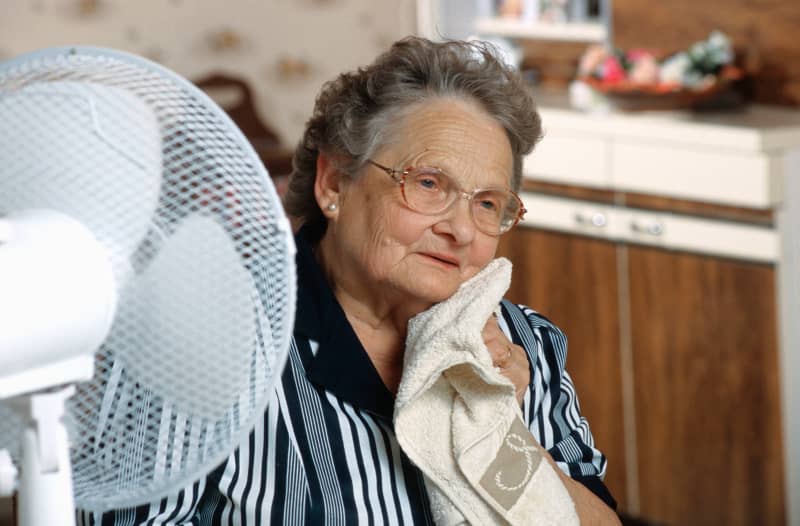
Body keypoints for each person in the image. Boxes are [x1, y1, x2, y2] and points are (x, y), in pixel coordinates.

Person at [82, 36, 619, 525]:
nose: (460, 229)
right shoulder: (201, 346)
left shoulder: (523, 348)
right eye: (429, 183)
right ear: (335, 183)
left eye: (487, 203)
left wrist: (497, 427)